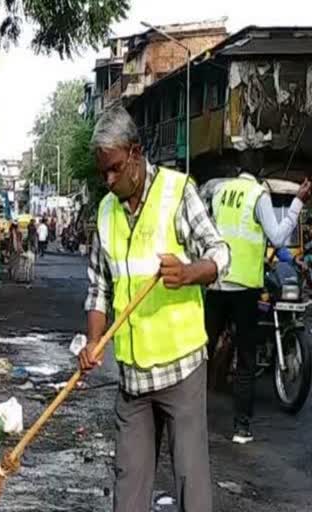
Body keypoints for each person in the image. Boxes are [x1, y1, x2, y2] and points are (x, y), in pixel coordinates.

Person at [78, 106, 230, 512]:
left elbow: (220, 253)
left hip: (180, 369)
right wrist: (93, 342)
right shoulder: (107, 212)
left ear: (135, 152)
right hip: (132, 378)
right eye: (102, 173)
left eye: (113, 169)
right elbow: (98, 287)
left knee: (190, 484)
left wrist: (189, 271)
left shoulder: (178, 192)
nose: (108, 181)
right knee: (128, 489)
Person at [206, 170, 311, 444]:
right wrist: (297, 202)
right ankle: (241, 428)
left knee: (201, 353)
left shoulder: (219, 191)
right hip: (244, 288)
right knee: (246, 357)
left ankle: (187, 417)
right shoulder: (257, 195)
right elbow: (276, 236)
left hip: (215, 282)